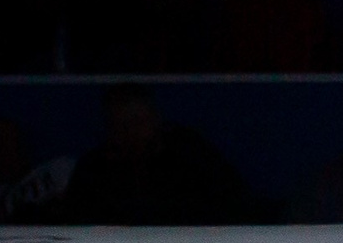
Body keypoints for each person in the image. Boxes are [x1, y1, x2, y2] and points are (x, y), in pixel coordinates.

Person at [56, 84, 254, 225]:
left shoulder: (189, 155)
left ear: (154, 119)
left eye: (138, 122)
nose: (131, 132)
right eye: (121, 125)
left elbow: (231, 204)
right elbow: (76, 220)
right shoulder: (94, 169)